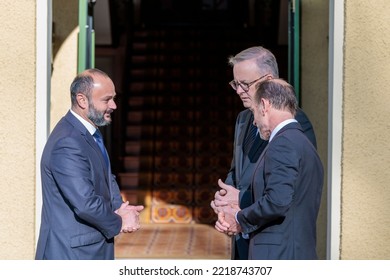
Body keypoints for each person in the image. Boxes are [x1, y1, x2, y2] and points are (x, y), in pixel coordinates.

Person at [210, 46, 317, 260]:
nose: (239, 90)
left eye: (245, 84)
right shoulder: (243, 119)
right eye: (235, 84)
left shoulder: (294, 124)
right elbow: (237, 171)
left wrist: (240, 202)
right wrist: (225, 201)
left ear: (267, 80)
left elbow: (283, 191)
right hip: (246, 241)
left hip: (275, 244)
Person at [35, 68, 144, 260]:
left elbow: (106, 178)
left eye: (114, 98)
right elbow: (85, 203)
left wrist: (120, 207)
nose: (114, 105)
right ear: (82, 100)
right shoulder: (67, 142)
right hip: (71, 255)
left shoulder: (89, 133)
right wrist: (119, 221)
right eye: (106, 99)